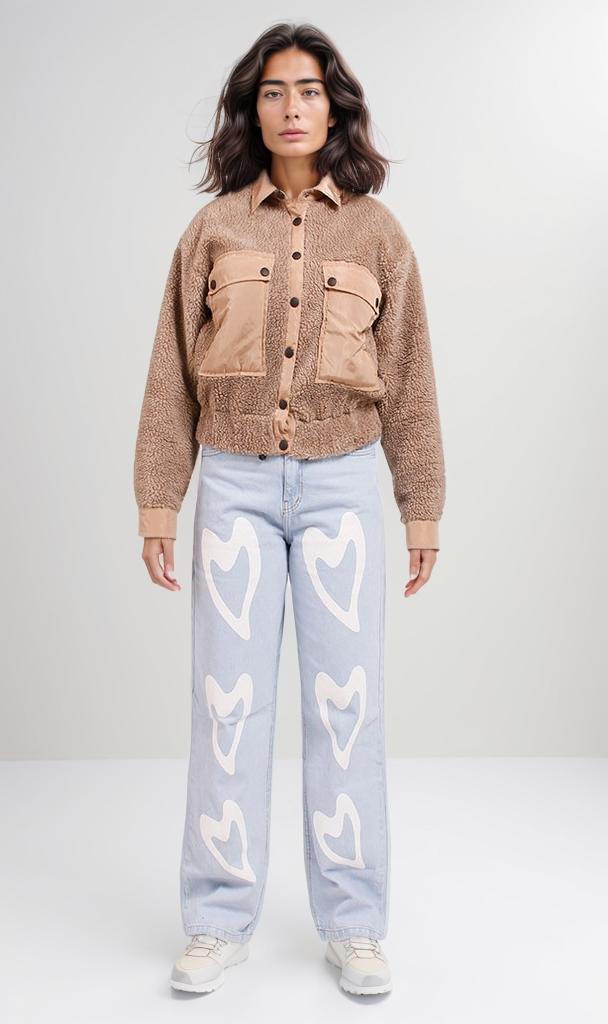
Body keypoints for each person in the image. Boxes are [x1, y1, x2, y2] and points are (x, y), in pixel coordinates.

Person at [133, 21, 446, 998]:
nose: (292, 107)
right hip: (231, 486)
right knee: (225, 706)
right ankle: (215, 919)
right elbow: (170, 376)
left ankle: (354, 924)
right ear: (252, 109)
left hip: (342, 487)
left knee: (345, 708)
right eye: (273, 91)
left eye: (308, 90)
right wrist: (158, 499)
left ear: (334, 107)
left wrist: (421, 506)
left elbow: (409, 377)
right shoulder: (213, 230)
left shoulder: (377, 233)